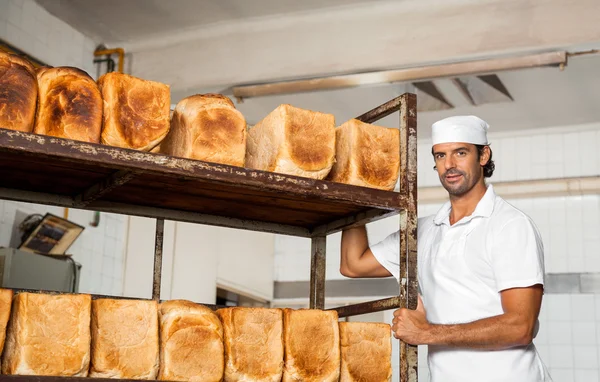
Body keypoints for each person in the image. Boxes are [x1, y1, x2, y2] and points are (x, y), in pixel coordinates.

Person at [340, 115, 552, 381]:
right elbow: (353, 264)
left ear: (483, 155)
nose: (449, 165)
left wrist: (426, 333)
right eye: (440, 156)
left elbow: (521, 326)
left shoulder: (509, 225)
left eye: (460, 153)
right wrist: (353, 191)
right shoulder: (425, 231)